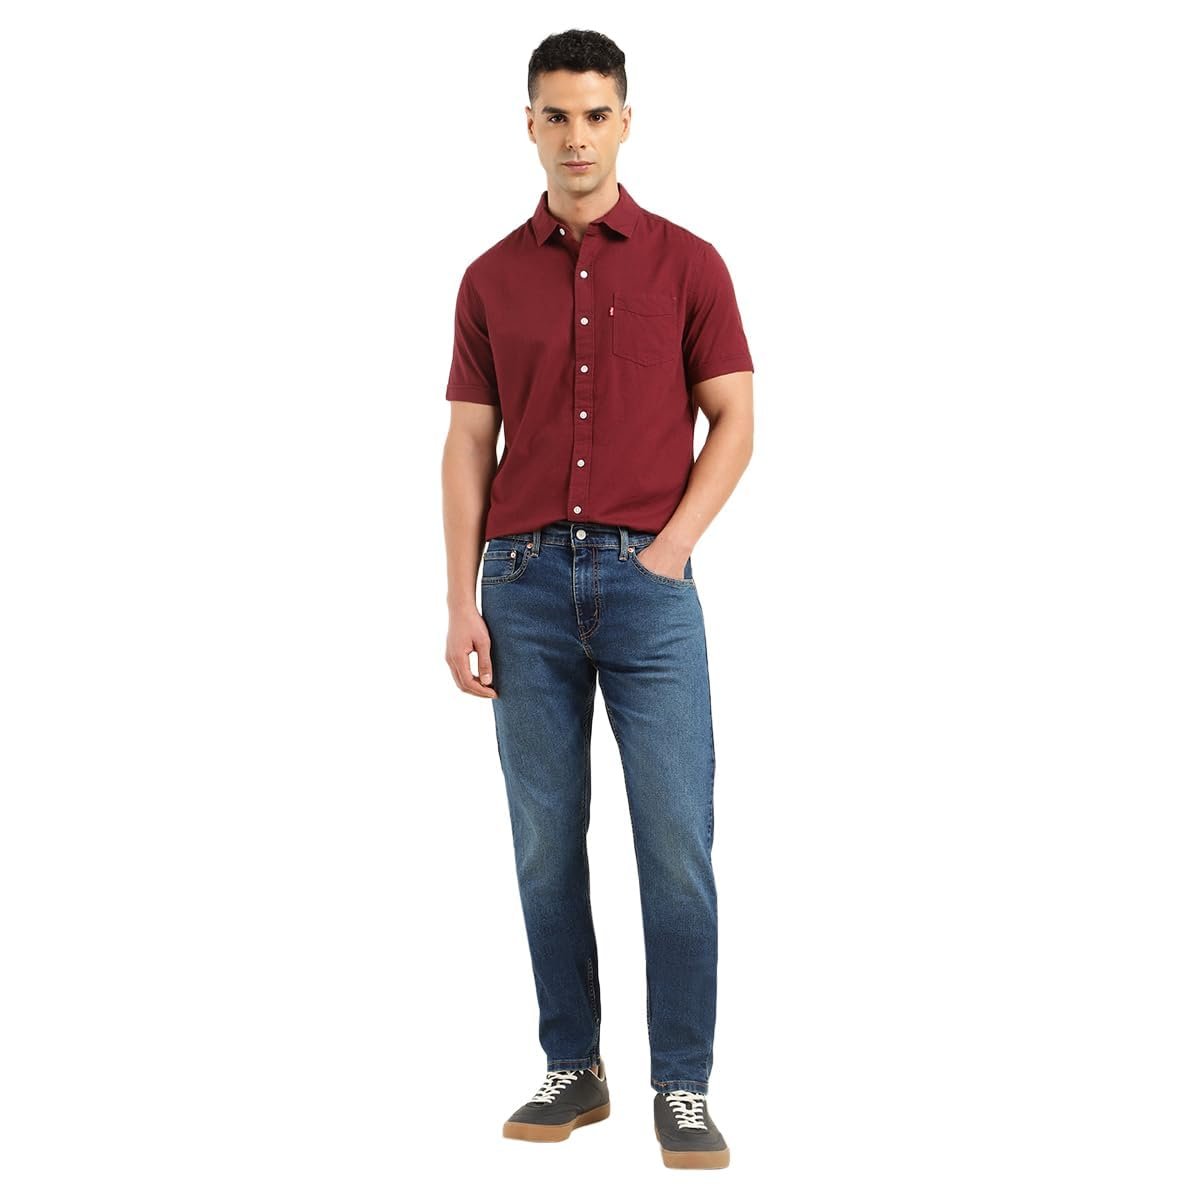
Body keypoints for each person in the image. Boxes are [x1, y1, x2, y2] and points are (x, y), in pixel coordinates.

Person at [441, 29, 754, 1171]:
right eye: (556, 116)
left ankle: (684, 1083)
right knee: (543, 843)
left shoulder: (688, 264)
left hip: (647, 587)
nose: (576, 137)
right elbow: (468, 445)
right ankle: (573, 1065)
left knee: (676, 840)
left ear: (626, 122)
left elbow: (736, 419)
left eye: (595, 115)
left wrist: (669, 552)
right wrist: (461, 599)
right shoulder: (489, 279)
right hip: (521, 588)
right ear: (529, 125)